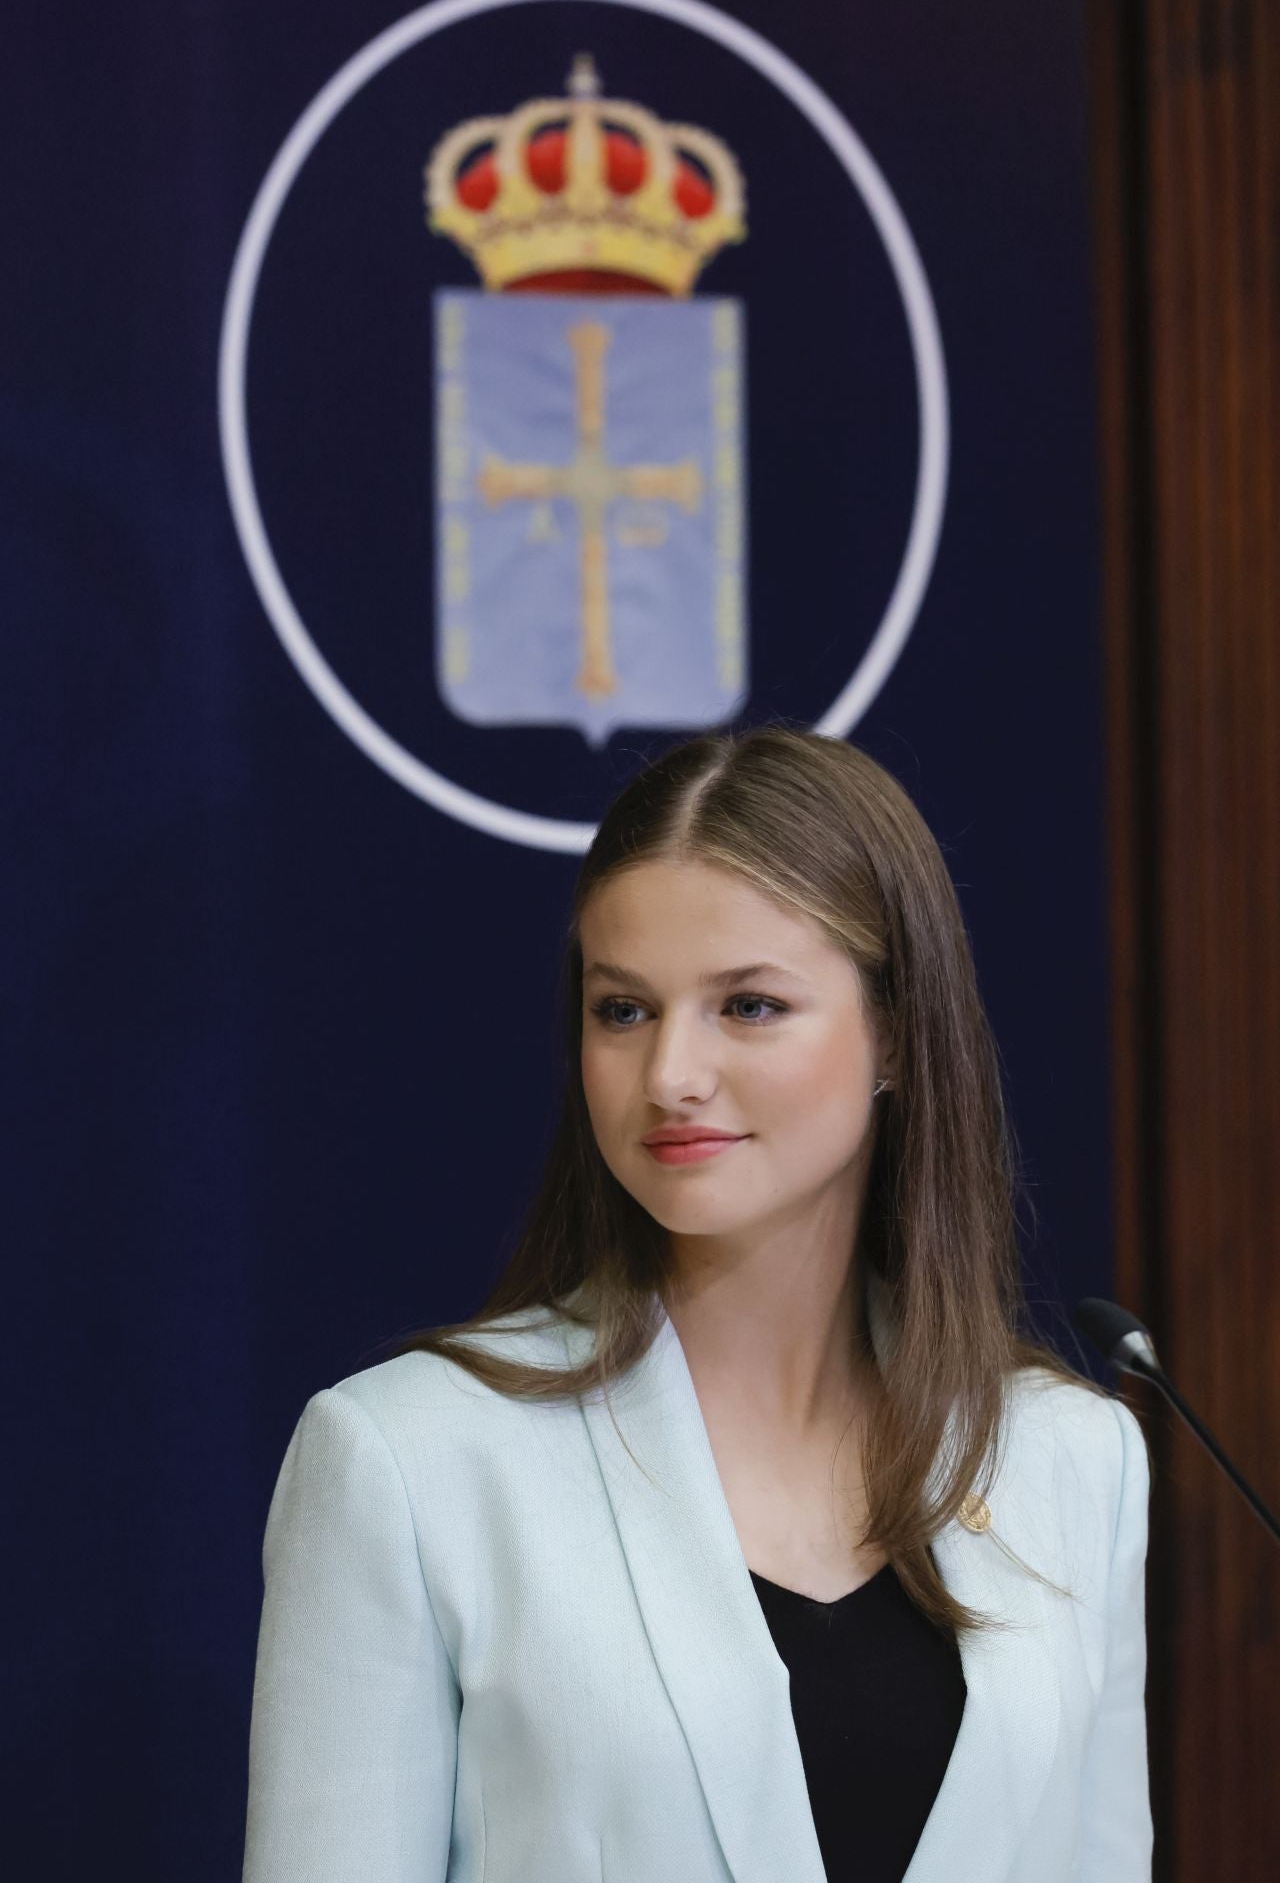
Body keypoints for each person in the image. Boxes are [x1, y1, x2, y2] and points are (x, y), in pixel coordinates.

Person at [241, 724, 1152, 1883]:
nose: (669, 1074)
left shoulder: (1074, 1459)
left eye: (748, 1006)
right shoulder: (407, 1460)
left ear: (894, 1036)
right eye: (622, 1010)